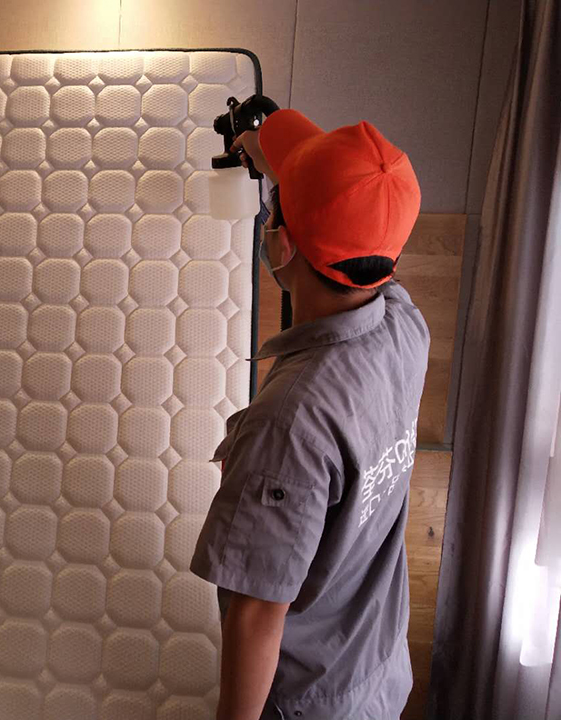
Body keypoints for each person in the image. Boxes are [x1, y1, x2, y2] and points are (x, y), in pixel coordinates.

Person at [190, 109, 429, 720]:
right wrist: (270, 155)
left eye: (273, 214)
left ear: (283, 243)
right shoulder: (405, 324)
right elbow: (351, 211)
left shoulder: (290, 422)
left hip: (309, 703)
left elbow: (256, 615)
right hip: (376, 673)